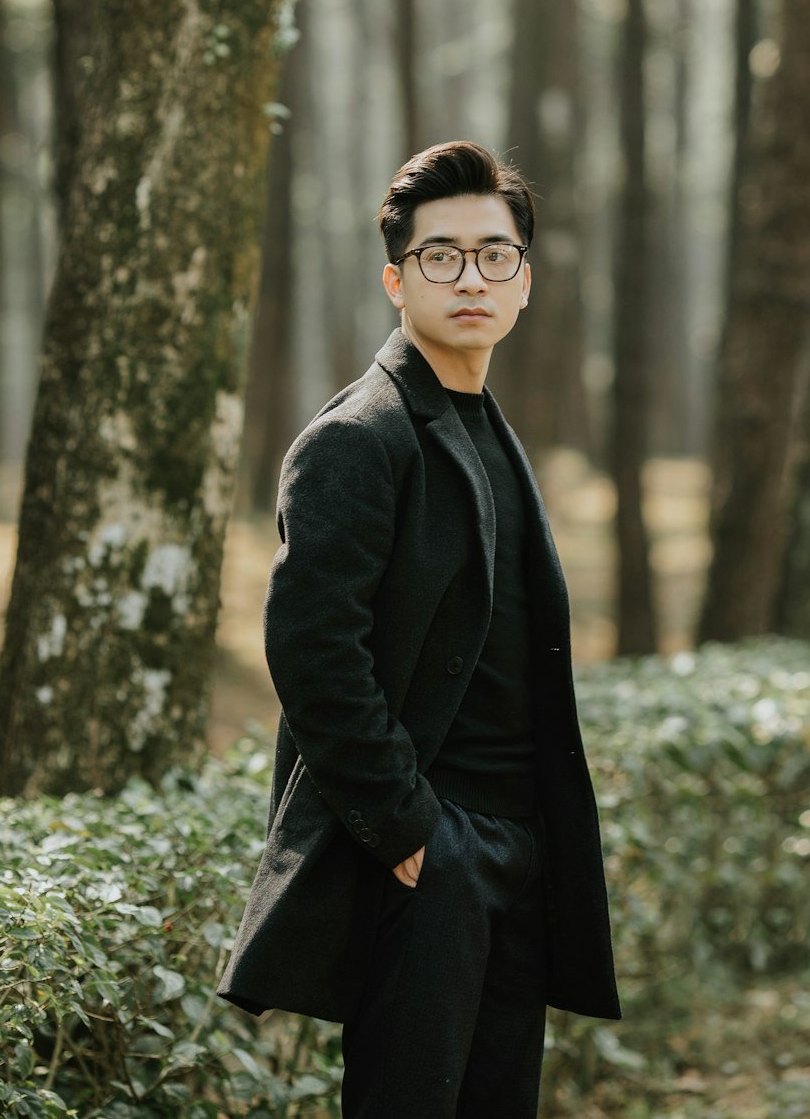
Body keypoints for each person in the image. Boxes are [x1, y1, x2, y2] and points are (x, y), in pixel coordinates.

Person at [218, 140, 620, 1117]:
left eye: (495, 254)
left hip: (512, 848)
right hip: (429, 855)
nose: (471, 276)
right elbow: (312, 650)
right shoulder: (362, 437)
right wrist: (406, 828)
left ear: (523, 281)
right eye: (441, 255)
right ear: (397, 280)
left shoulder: (483, 425)